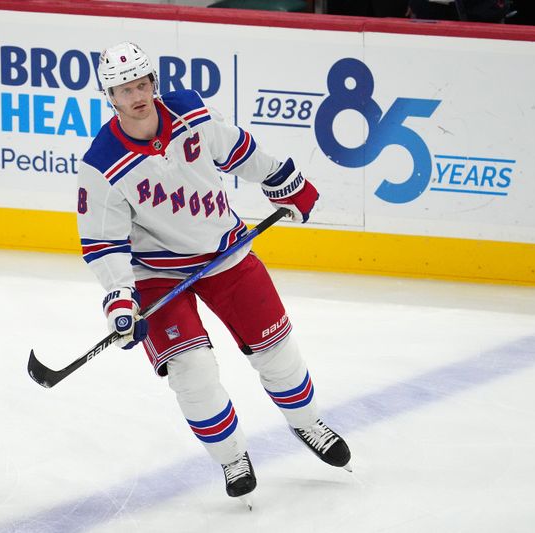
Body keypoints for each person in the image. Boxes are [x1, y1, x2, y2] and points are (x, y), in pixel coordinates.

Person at [76, 41, 351, 505]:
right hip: (158, 276)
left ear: (153, 84)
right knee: (193, 372)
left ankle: (308, 425)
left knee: (277, 350)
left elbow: (240, 151)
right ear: (111, 97)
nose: (137, 95)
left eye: (142, 84)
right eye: (125, 89)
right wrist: (120, 300)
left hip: (225, 252)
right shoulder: (101, 164)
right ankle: (231, 457)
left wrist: (283, 180)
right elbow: (105, 243)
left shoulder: (190, 113)